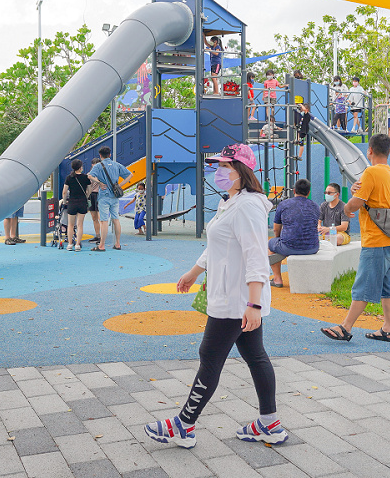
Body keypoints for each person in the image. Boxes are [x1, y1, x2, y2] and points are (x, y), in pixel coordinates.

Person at [144, 143, 288, 449]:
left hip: (237, 300)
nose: (219, 171)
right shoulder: (232, 202)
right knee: (255, 356)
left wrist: (253, 304)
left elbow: (256, 258)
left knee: (209, 358)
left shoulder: (248, 206)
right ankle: (269, 424)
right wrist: (194, 271)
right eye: (218, 165)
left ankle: (183, 425)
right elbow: (219, 246)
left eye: (225, 166)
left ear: (241, 171)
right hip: (230, 295)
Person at [322, 133, 390, 342]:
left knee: (364, 284)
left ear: (369, 151)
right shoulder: (388, 172)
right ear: (389, 152)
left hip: (376, 239)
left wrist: (347, 207)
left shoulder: (371, 171)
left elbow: (356, 204)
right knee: (387, 286)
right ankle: (388, 328)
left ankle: (345, 327)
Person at [268, 178, 320, 289]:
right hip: (313, 247)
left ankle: (277, 279)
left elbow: (276, 229)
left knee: (271, 243)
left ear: (293, 191)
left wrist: (279, 240)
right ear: (309, 192)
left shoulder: (283, 204)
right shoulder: (316, 206)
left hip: (289, 247)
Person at [88, 146, 133, 252]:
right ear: (110, 155)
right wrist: (120, 185)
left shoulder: (98, 166)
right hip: (115, 196)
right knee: (116, 219)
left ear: (100, 155)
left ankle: (102, 245)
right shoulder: (116, 165)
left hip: (104, 195)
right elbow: (130, 174)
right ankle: (117, 243)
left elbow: (90, 176)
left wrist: (99, 182)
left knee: (103, 221)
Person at [63, 159, 92, 252]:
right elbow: (89, 189)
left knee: (70, 225)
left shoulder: (69, 177)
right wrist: (86, 196)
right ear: (80, 168)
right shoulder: (85, 177)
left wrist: (64, 201)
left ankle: (70, 244)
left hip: (72, 202)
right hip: (82, 202)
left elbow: (64, 191)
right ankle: (78, 245)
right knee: (80, 225)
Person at [87, 157, 103, 246]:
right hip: (91, 195)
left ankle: (102, 236)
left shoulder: (102, 174)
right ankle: (97, 235)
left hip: (99, 194)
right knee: (94, 217)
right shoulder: (89, 174)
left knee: (100, 216)